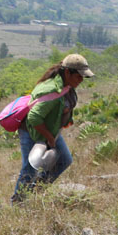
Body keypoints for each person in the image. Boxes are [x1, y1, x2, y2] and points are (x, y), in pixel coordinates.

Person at [10, 53, 92, 202]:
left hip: (49, 130)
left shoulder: (67, 86)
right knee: (30, 169)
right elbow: (34, 117)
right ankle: (18, 203)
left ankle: (35, 193)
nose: (81, 80)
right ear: (67, 72)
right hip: (32, 132)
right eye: (79, 76)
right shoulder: (52, 90)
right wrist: (48, 137)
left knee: (64, 160)